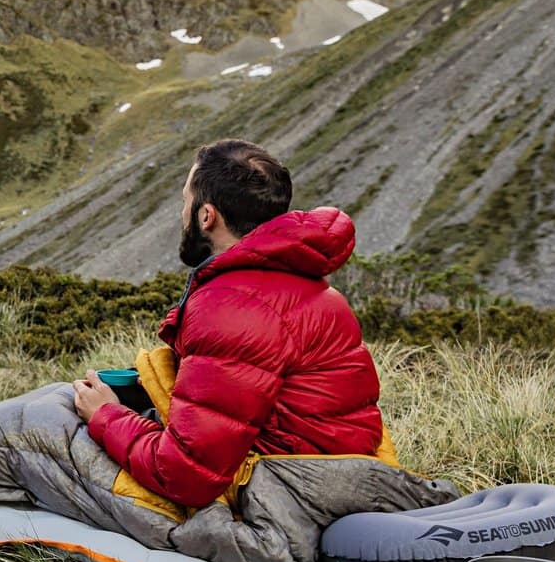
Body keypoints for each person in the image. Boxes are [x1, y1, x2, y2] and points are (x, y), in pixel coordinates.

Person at [72, 139, 384, 508]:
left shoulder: (232, 306)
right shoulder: (304, 284)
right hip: (332, 474)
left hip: (290, 497)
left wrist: (106, 416)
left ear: (207, 216)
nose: (182, 212)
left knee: (46, 424)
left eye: (186, 201)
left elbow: (185, 475)